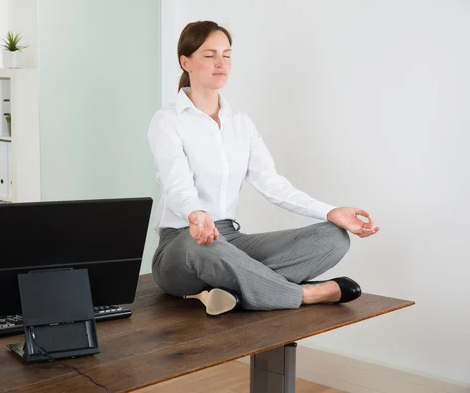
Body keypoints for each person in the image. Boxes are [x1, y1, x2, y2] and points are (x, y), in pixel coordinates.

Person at [147, 21, 380, 316]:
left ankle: (234, 290)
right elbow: (176, 183)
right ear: (186, 61)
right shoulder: (168, 120)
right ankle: (304, 294)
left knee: (334, 238)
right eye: (209, 55)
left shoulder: (241, 124)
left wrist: (329, 212)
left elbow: (272, 183)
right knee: (200, 248)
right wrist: (196, 213)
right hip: (182, 245)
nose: (221, 63)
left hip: (230, 239)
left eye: (227, 55)